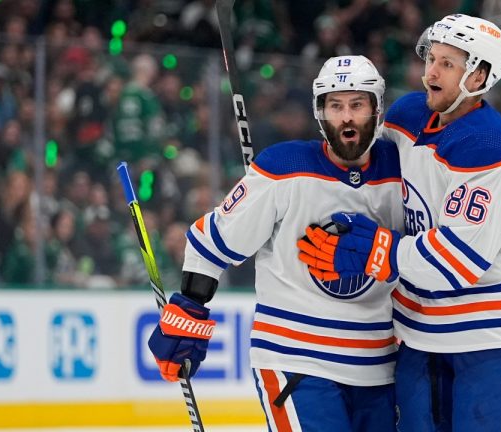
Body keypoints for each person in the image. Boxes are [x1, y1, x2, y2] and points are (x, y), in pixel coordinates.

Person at [298, 14, 501, 431]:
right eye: (431, 59)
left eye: (447, 64)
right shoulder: (407, 117)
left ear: (477, 77)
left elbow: (455, 261)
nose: (430, 73)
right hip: (420, 333)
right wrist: (292, 191)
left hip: (495, 335)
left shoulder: (487, 143)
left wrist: (376, 250)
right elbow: (374, 184)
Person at [146, 55, 403, 431]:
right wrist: (189, 306)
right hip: (297, 362)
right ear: (320, 114)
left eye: (356, 104)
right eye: (335, 106)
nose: (346, 117)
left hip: (380, 369)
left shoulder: (402, 172)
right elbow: (212, 240)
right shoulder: (284, 168)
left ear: (376, 109)